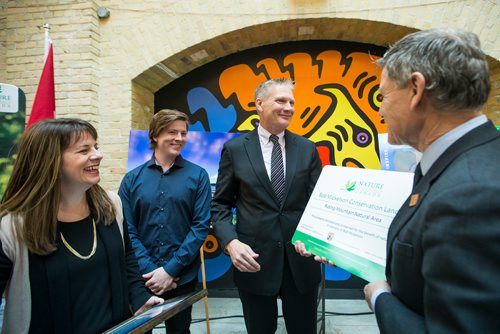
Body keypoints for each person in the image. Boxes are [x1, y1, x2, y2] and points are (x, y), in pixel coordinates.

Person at [360, 28, 500, 333]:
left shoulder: (471, 195)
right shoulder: (462, 162)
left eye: (382, 96)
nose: (381, 110)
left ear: (415, 89)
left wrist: (381, 297)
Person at [0, 118, 163, 334]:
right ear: (50, 160)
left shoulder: (111, 205)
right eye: (84, 150)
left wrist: (139, 297)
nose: (97, 155)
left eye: (96, 146)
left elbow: (127, 259)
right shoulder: (13, 227)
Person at [211, 78, 323, 334]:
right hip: (255, 261)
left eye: (292, 102)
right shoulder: (235, 149)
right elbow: (220, 204)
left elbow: (318, 202)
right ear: (259, 104)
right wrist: (231, 242)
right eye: (281, 100)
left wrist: (321, 240)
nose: (289, 107)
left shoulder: (307, 148)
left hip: (301, 261)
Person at [118, 109, 211, 334]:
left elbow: (200, 226)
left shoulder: (199, 176)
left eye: (183, 133)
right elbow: (126, 228)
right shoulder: (132, 179)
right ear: (155, 135)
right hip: (142, 278)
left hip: (182, 277)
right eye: (172, 132)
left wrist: (170, 270)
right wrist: (151, 271)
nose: (179, 138)